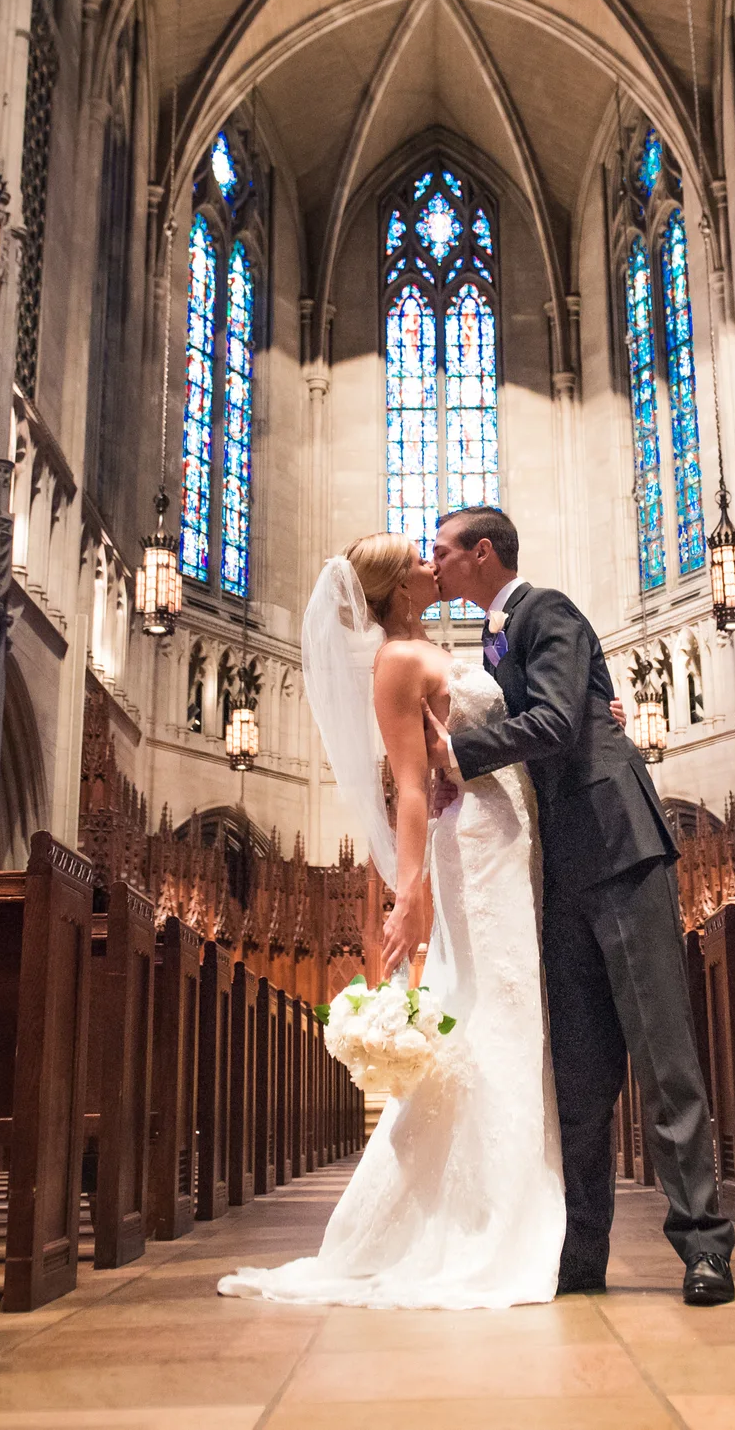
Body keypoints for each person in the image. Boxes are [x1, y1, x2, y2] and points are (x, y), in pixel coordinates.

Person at [216, 533, 563, 1308]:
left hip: (509, 836)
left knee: (511, 1008)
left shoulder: (429, 646)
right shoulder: (397, 662)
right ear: (399, 587)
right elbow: (408, 786)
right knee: (491, 1010)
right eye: (417, 558)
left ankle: (516, 1196)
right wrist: (410, 892)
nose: (432, 563)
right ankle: (491, 1215)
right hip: (475, 844)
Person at [428, 506, 735, 1307]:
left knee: (662, 1054)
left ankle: (704, 1244)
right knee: (579, 1072)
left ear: (483, 553)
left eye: (442, 551)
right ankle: (581, 1250)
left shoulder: (547, 611)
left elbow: (561, 723)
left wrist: (456, 754)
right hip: (561, 870)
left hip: (617, 844)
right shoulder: (494, 640)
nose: (434, 566)